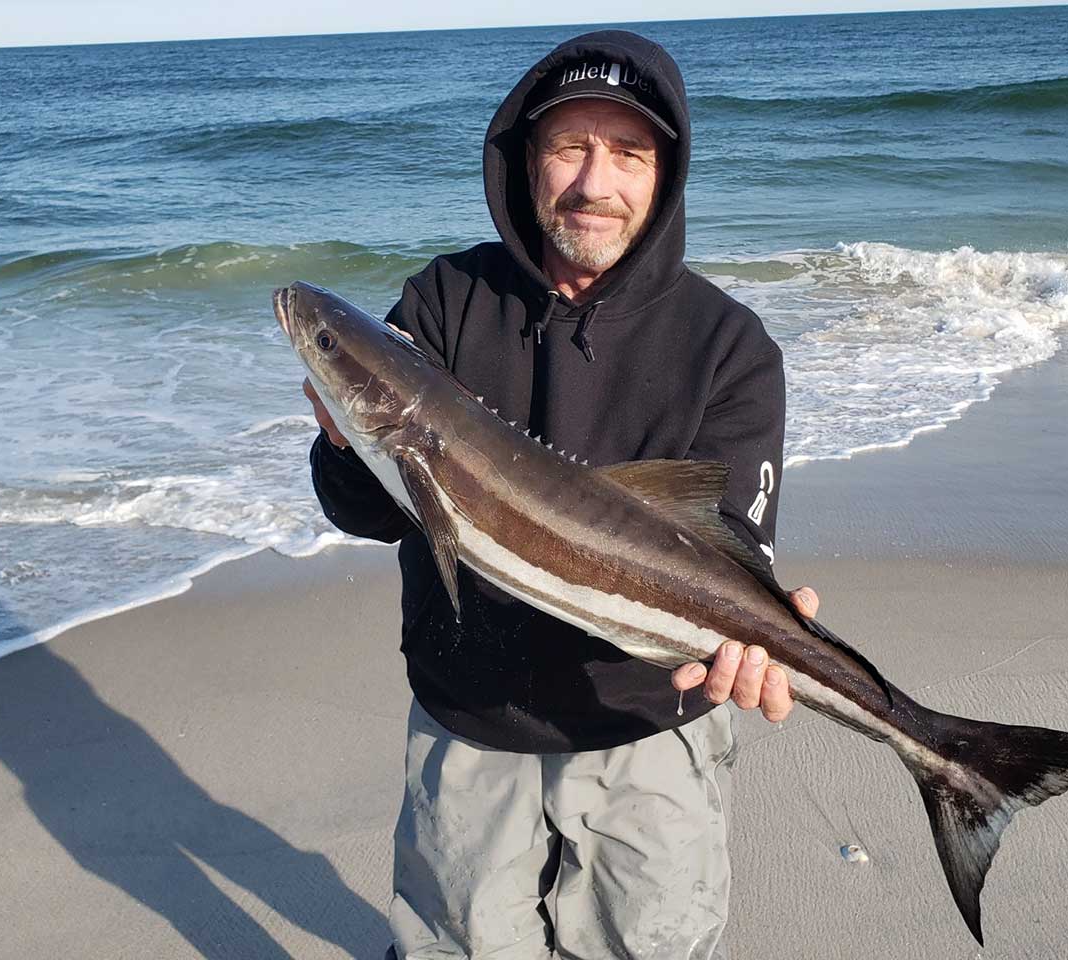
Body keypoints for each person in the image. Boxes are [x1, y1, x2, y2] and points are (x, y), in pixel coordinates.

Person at [305, 30, 818, 960]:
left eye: (628, 152)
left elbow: (736, 539)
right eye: (569, 147)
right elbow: (367, 510)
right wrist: (344, 442)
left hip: (649, 719)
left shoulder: (732, 349)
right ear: (526, 162)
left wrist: (764, 625)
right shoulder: (442, 301)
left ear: (666, 174)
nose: (594, 182)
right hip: (471, 719)